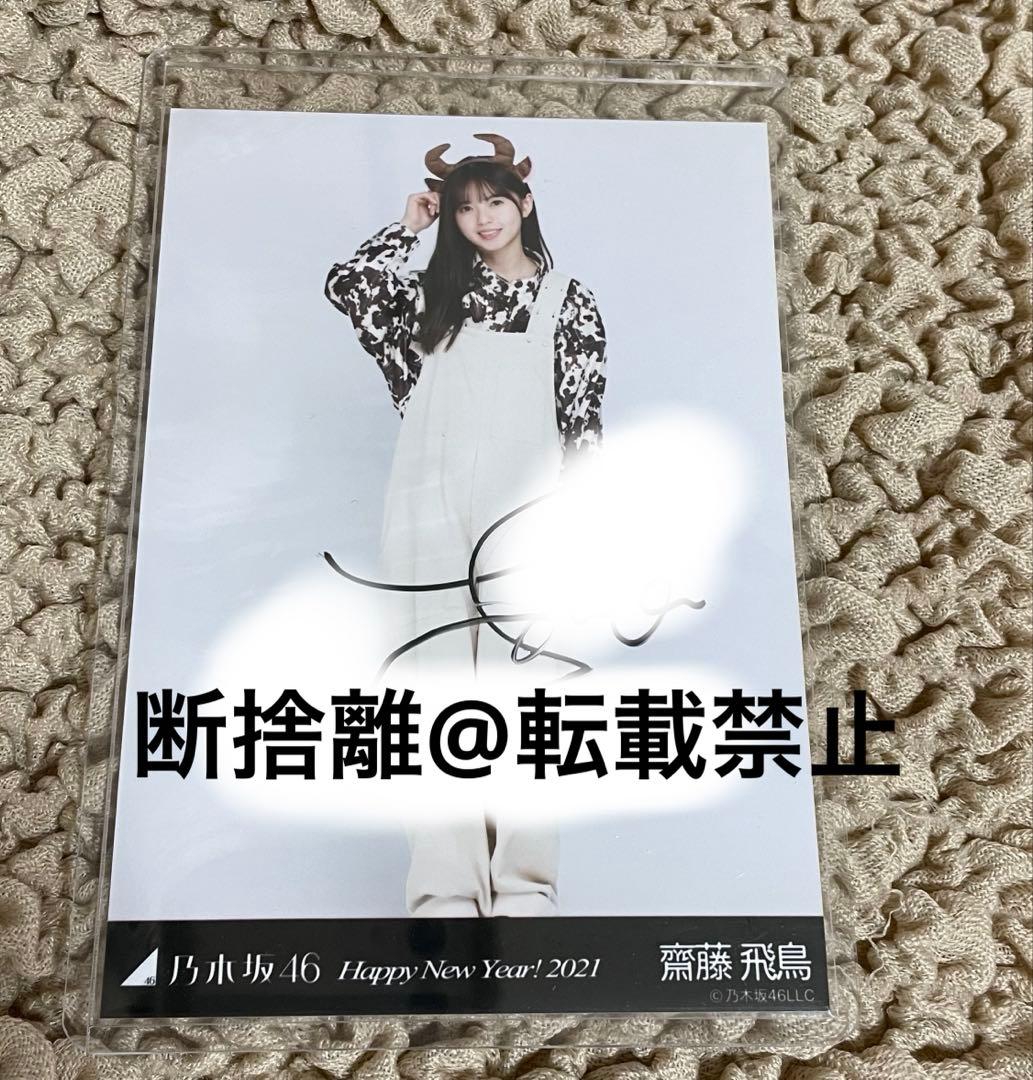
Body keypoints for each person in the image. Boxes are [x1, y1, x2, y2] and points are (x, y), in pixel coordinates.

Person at [325, 133, 607, 917]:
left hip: (530, 512)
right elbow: (348, 285)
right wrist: (406, 227)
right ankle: (444, 890)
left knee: (532, 695)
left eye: (494, 201)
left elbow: (583, 422)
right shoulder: (429, 300)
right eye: (463, 207)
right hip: (429, 506)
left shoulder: (567, 300)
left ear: (525, 202)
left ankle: (526, 887)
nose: (481, 218)